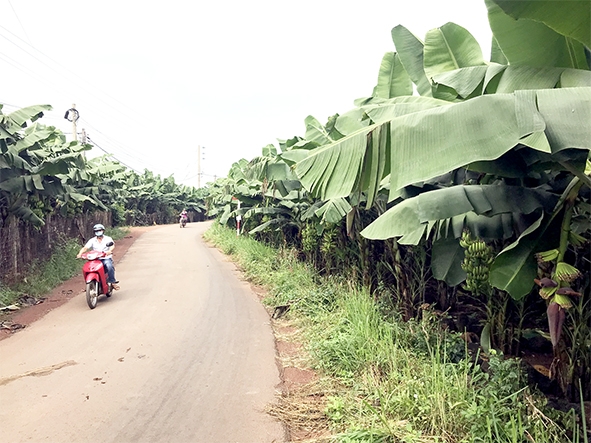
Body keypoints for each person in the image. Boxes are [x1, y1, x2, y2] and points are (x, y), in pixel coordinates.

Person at [76, 224, 120, 290]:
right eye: (96, 231)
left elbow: (112, 246)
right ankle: (89, 284)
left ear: (103, 231)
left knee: (109, 266)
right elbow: (85, 248)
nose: (98, 232)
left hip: (105, 258)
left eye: (100, 230)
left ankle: (112, 282)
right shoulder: (92, 240)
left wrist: (109, 251)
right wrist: (80, 254)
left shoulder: (108, 239)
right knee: (87, 268)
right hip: (95, 259)